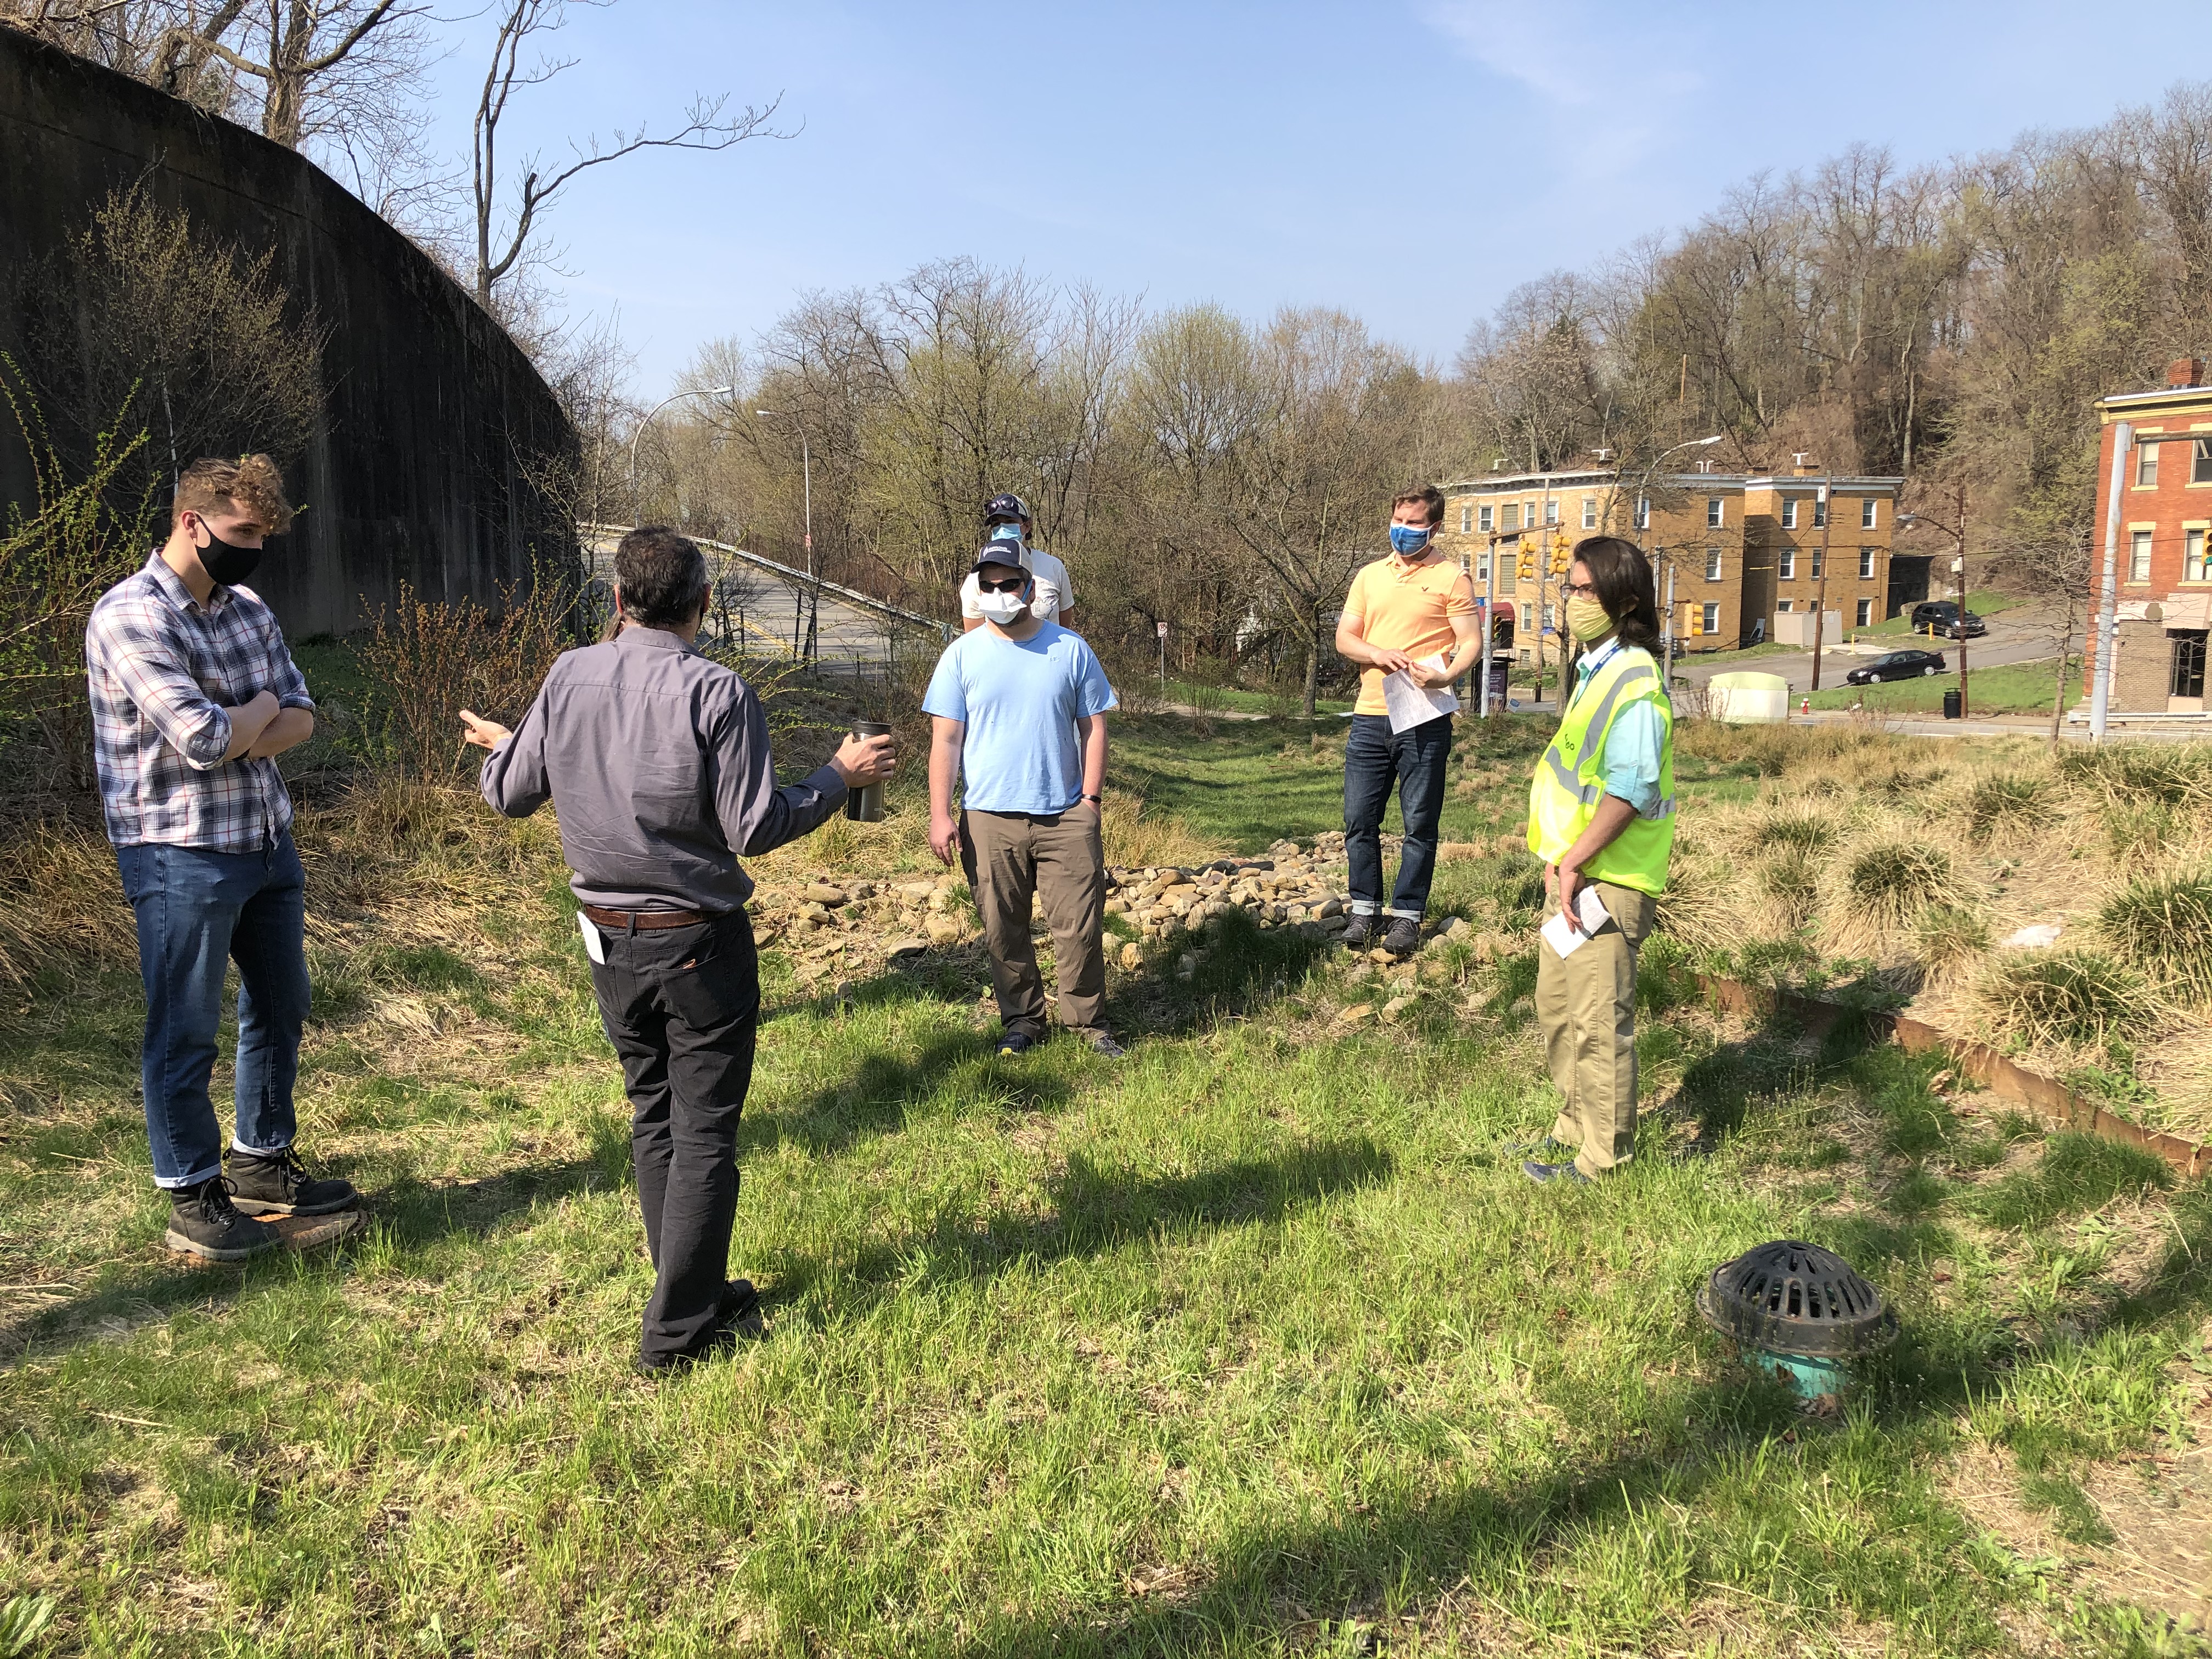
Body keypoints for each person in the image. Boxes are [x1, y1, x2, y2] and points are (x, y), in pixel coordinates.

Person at [461, 527, 895, 1372]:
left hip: (608, 947)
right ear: (703, 606)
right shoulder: (719, 692)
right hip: (698, 945)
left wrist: (508, 746)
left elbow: (510, 794)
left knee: (653, 1113)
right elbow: (756, 826)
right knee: (703, 1133)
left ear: (618, 602)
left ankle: (685, 1292)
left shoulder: (568, 675)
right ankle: (677, 1335)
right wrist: (838, 777)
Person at [85, 454, 359, 1261]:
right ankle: (192, 1191)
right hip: (178, 851)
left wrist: (256, 716)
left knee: (281, 1005)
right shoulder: (129, 616)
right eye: (242, 532)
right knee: (185, 1029)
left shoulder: (247, 608)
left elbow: (302, 716)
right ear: (190, 522)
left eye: (264, 534)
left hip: (265, 839)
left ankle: (261, 1162)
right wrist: (257, 714)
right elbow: (201, 739)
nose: (254, 549)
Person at [1519, 535, 1676, 1186]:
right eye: (1570, 586)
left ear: (1625, 602)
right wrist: (1562, 862)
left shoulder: (1635, 678)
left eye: (1585, 590)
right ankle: (1573, 1128)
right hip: (1574, 875)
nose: (1571, 599)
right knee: (1558, 1010)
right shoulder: (1596, 670)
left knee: (1597, 1023)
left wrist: (1579, 860)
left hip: (1608, 878)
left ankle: (1604, 1157)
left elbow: (1634, 790)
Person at [926, 540, 1122, 1058]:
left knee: (1078, 927)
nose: (998, 593)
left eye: (1008, 583)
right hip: (988, 818)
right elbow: (945, 739)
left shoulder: (1071, 649)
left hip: (1066, 816)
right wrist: (940, 814)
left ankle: (1088, 1024)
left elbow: (1094, 726)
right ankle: (1023, 1020)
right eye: (987, 585)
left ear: (1030, 587)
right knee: (1002, 930)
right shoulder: (960, 656)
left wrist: (1091, 800)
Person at [1333, 484, 1484, 955]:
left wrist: (1448, 676)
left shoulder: (1452, 578)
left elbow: (1472, 641)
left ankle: (1407, 918)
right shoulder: (1370, 576)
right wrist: (1376, 652)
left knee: (1419, 823)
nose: (1403, 531)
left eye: (1414, 523)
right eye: (1398, 520)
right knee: (1360, 819)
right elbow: (1345, 638)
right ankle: (1364, 910)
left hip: (1424, 718)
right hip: (1370, 717)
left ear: (1434, 527)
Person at [959, 492, 1076, 632]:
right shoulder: (978, 576)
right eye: (996, 524)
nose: (1002, 529)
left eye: (1009, 522)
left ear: (1027, 526)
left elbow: (1065, 627)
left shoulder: (1054, 567)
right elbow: (974, 639)